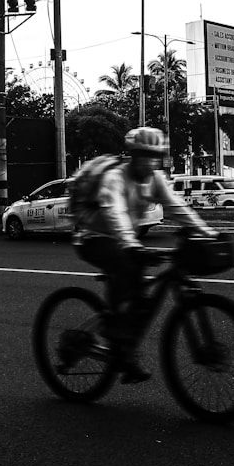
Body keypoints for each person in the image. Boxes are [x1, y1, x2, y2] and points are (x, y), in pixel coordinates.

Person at [72, 127, 218, 383]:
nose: (149, 162)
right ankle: (116, 336)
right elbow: (113, 211)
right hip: (94, 237)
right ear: (132, 155)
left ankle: (124, 346)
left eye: (154, 156)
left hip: (126, 240)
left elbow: (176, 207)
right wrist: (130, 243)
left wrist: (206, 232)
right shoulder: (115, 178)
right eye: (143, 155)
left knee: (139, 290)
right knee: (127, 269)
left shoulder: (155, 178)